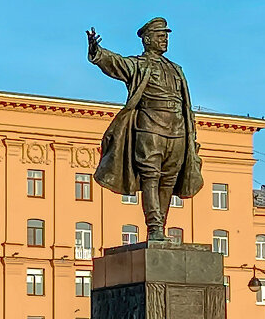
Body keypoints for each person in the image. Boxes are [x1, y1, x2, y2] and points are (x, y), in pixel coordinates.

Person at [86, 19, 204, 241]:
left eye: (166, 36)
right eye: (160, 36)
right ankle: (154, 227)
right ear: (147, 39)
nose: (165, 39)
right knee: (151, 176)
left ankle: (162, 226)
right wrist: (97, 52)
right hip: (150, 126)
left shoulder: (176, 69)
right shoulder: (139, 64)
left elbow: (185, 101)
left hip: (178, 128)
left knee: (169, 179)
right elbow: (116, 63)